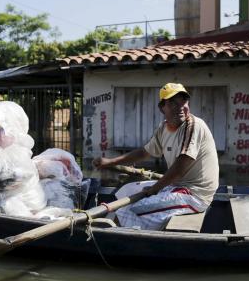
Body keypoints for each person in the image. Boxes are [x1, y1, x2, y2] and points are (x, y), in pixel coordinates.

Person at [94, 82, 220, 229]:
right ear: (162, 108)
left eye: (183, 101)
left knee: (129, 210)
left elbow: (181, 166)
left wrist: (155, 189)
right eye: (173, 102)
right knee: (126, 190)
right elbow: (144, 152)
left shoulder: (193, 125)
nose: (180, 107)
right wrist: (110, 161)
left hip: (195, 194)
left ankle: (121, 237)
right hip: (177, 186)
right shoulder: (164, 128)